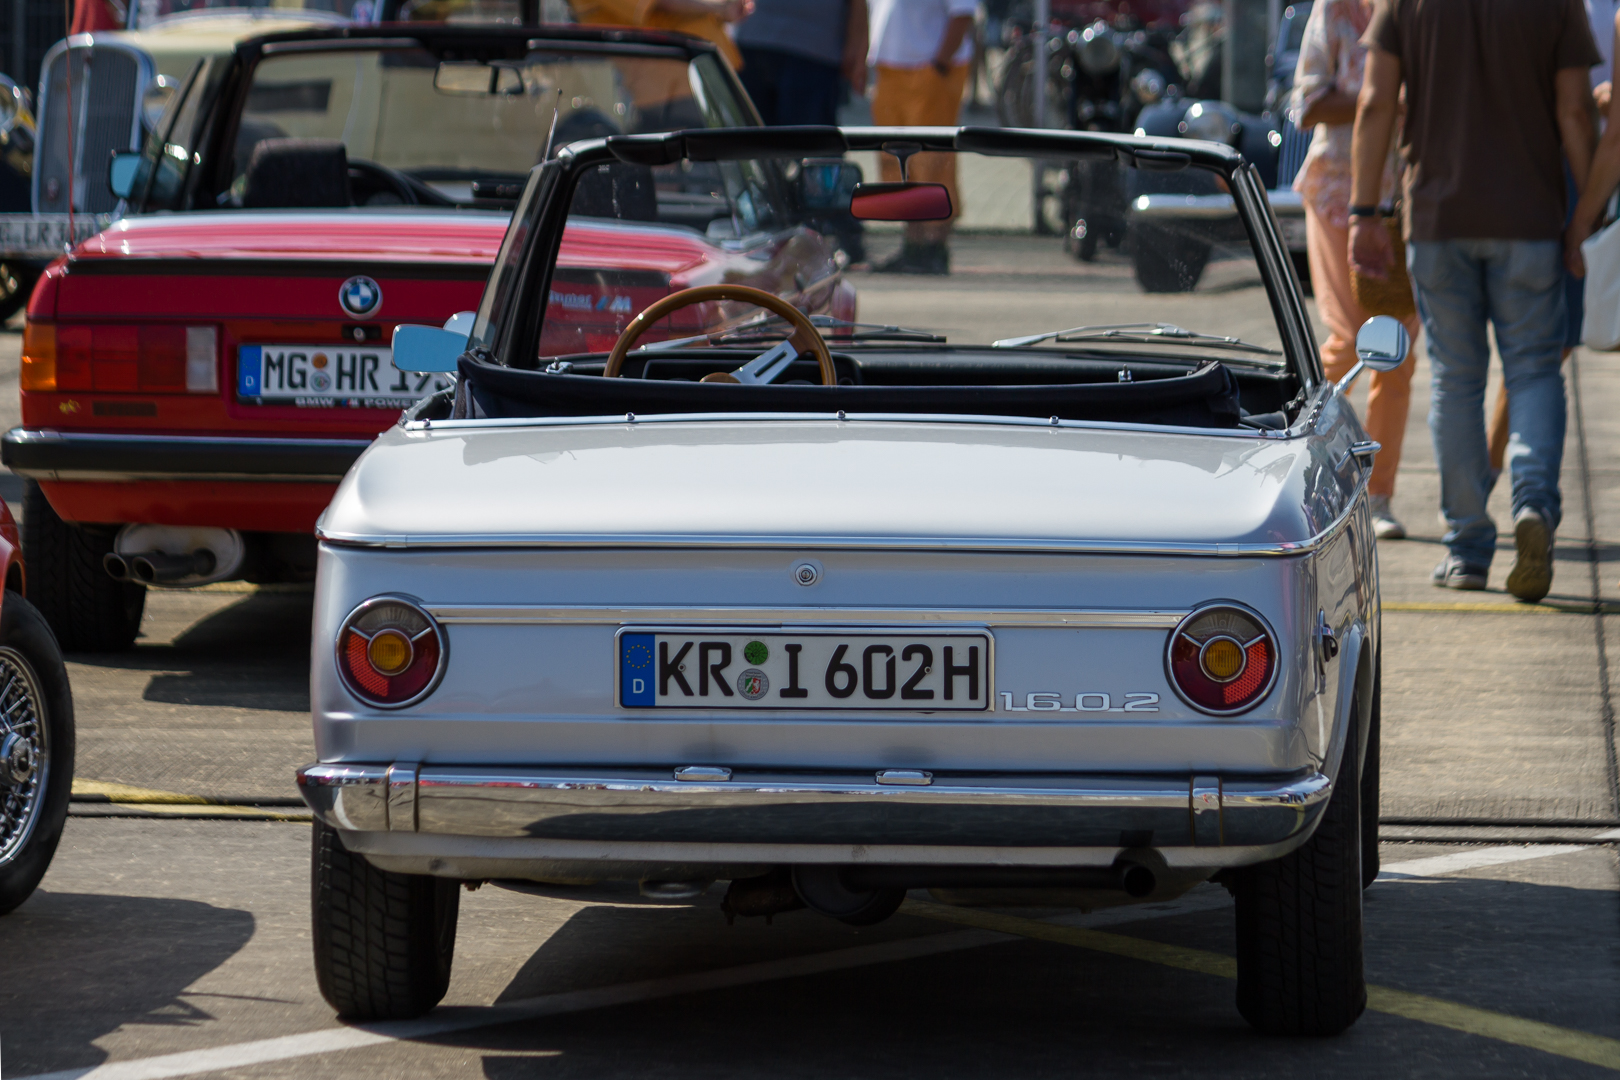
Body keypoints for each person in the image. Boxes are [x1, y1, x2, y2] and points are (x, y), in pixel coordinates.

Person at [1350, 0, 1598, 602]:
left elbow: (1376, 102)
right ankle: (1533, 502)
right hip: (1530, 217)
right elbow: (1573, 109)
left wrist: (1364, 212)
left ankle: (1466, 549)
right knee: (1535, 369)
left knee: (1456, 380)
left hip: (1437, 219)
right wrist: (1587, 212)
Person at [1290, 0, 1420, 540]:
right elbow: (1307, 102)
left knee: (1395, 354)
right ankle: (1311, 477)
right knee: (1346, 343)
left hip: (1409, 200)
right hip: (1335, 195)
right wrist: (1383, 99)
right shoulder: (1335, 9)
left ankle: (1378, 494)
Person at [867, 0, 975, 274]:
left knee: (932, 163)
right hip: (890, 69)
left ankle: (935, 246)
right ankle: (913, 244)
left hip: (929, 69)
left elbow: (963, 13)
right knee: (896, 163)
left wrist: (939, 63)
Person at [736, 0, 869, 126]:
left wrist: (857, 51)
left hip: (814, 54)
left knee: (806, 142)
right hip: (753, 43)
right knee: (748, 141)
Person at [568, 0, 754, 69]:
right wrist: (721, 7)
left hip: (703, 72)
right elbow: (660, 4)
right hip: (667, 87)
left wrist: (726, 9)